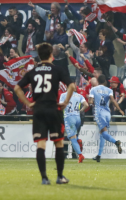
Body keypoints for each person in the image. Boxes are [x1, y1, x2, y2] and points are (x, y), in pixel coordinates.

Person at [14, 42, 76, 185]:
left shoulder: (33, 72)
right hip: (54, 109)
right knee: (58, 143)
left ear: (39, 56)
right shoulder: (57, 70)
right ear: (51, 55)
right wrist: (65, 101)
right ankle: (60, 177)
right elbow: (72, 85)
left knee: (41, 144)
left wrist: (28, 103)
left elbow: (17, 88)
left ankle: (44, 178)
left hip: (39, 110)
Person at [89, 74, 124, 163]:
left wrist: (91, 101)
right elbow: (113, 100)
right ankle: (99, 156)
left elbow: (90, 101)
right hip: (107, 113)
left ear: (97, 81)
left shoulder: (93, 89)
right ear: (105, 81)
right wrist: (120, 110)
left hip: (99, 113)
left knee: (104, 133)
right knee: (102, 134)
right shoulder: (109, 90)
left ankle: (116, 142)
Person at [59, 89, 88, 163]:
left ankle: (80, 155)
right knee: (71, 136)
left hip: (69, 118)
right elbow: (86, 105)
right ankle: (78, 140)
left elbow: (60, 106)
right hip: (78, 118)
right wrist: (80, 111)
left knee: (72, 138)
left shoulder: (63, 95)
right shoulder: (79, 95)